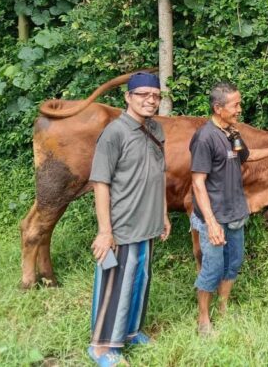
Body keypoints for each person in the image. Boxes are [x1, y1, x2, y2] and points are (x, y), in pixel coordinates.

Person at [87, 72, 171, 366]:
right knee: (115, 285)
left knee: (139, 280)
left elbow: (158, 176)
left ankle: (131, 331)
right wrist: (104, 232)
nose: (151, 100)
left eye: (156, 95)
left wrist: (162, 215)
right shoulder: (114, 133)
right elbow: (100, 183)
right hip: (121, 225)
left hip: (147, 223)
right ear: (128, 98)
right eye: (143, 95)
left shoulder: (156, 130)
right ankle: (101, 346)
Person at [189, 82, 268, 334]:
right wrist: (210, 223)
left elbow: (245, 156)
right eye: (235, 105)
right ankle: (203, 320)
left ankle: (223, 309)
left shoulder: (232, 132)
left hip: (235, 212)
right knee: (212, 267)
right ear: (218, 108)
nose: (240, 109)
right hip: (215, 216)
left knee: (233, 263)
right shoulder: (205, 137)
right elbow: (197, 183)